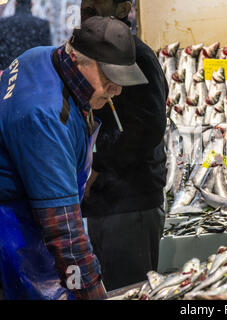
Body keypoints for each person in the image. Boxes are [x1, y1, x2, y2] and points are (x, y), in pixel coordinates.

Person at [0, 16, 148, 300]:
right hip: (12, 236)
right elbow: (65, 234)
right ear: (78, 59)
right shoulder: (46, 118)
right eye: (110, 77)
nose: (117, 89)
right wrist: (92, 292)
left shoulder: (39, 56)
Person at [79, 0, 169, 291]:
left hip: (131, 204)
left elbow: (148, 129)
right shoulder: (91, 57)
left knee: (130, 292)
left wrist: (98, 166)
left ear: (123, 8)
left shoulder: (136, 56)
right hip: (102, 202)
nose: (88, 4)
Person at [0, 0, 51, 70]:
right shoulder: (42, 24)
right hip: (32, 71)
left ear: (15, 4)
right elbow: (46, 53)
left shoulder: (3, 23)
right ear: (31, 5)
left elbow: (2, 51)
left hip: (10, 72)